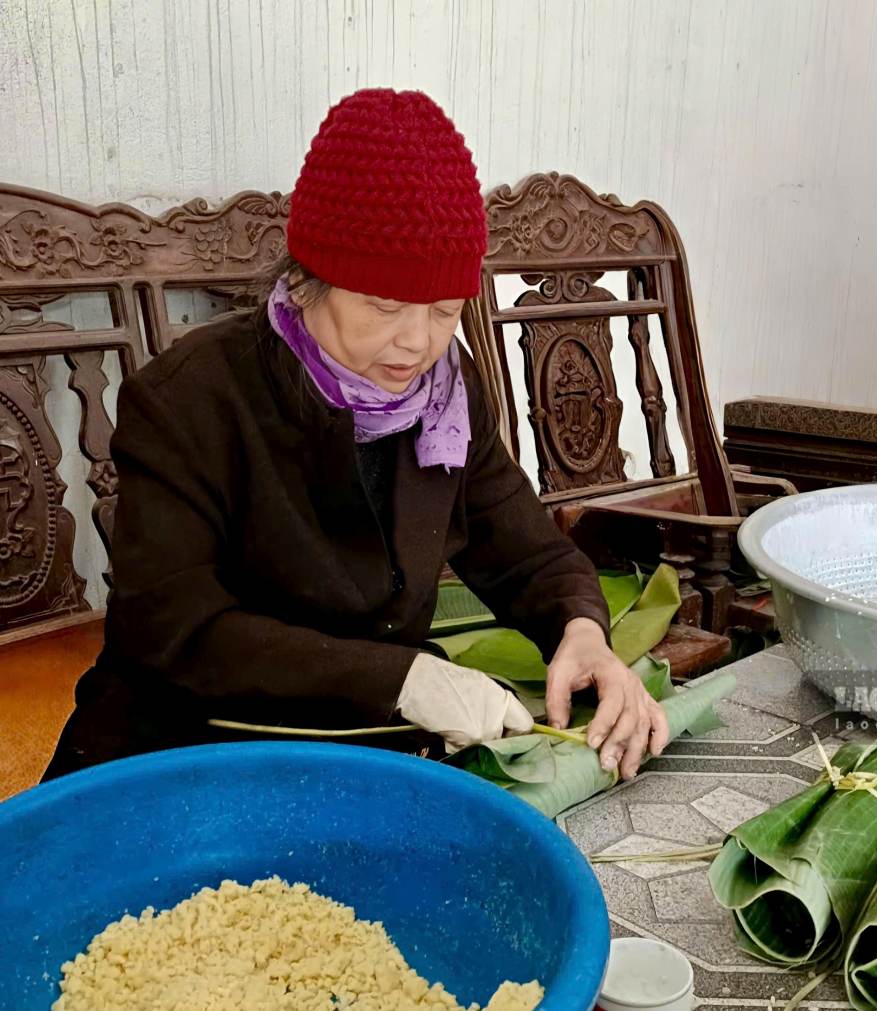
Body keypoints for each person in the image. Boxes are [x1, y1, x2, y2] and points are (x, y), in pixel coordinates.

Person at [45, 88, 667, 782]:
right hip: (187, 748)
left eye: (442, 309)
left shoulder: (445, 391)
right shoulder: (191, 399)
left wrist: (581, 630)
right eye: (385, 305)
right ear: (310, 280)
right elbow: (174, 628)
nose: (416, 342)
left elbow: (526, 553)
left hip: (362, 744)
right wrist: (402, 680)